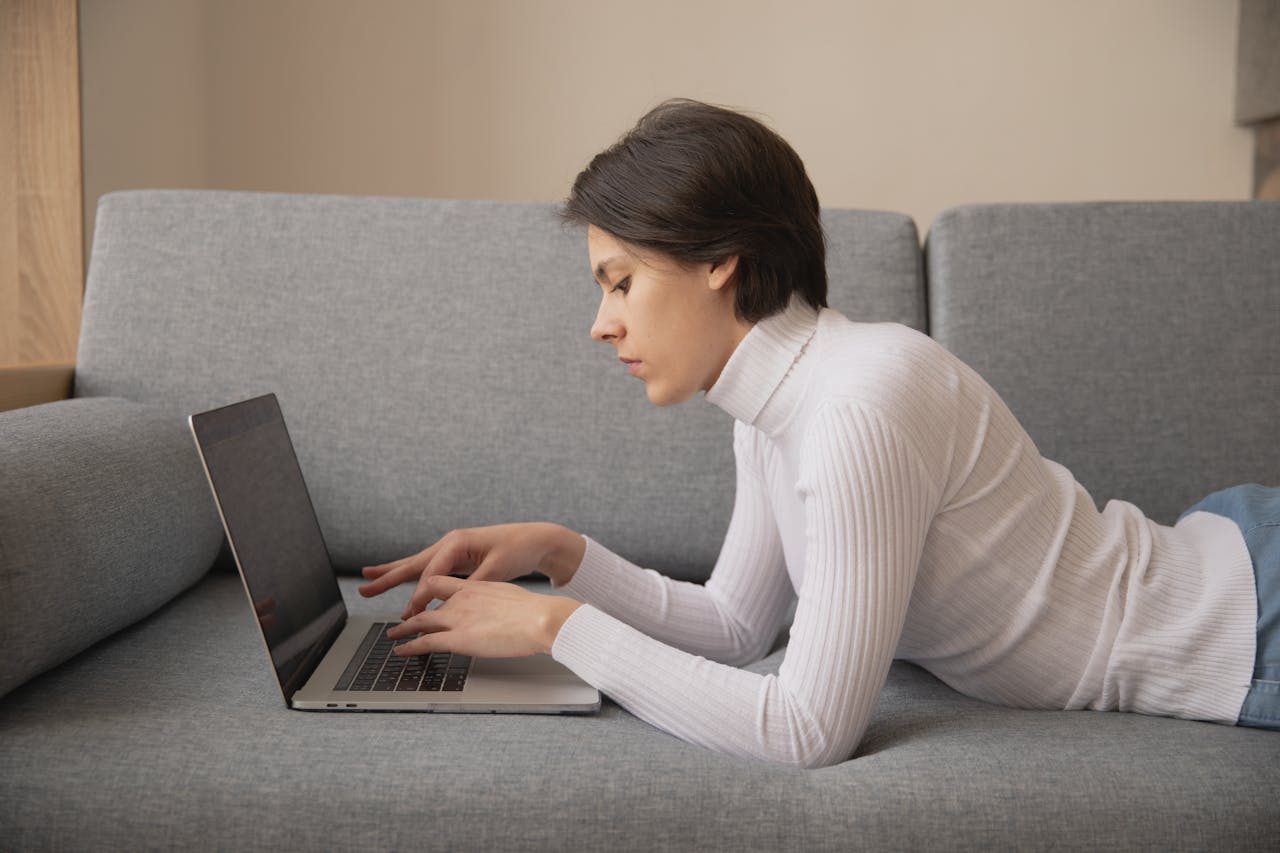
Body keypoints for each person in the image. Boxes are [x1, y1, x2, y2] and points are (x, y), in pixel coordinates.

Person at [358, 99, 1279, 767]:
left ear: (720, 259)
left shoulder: (856, 408)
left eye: (620, 281)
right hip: (1226, 548)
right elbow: (736, 627)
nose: (600, 322)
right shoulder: (771, 409)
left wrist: (560, 631)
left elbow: (808, 731)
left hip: (1248, 621)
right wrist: (562, 555)